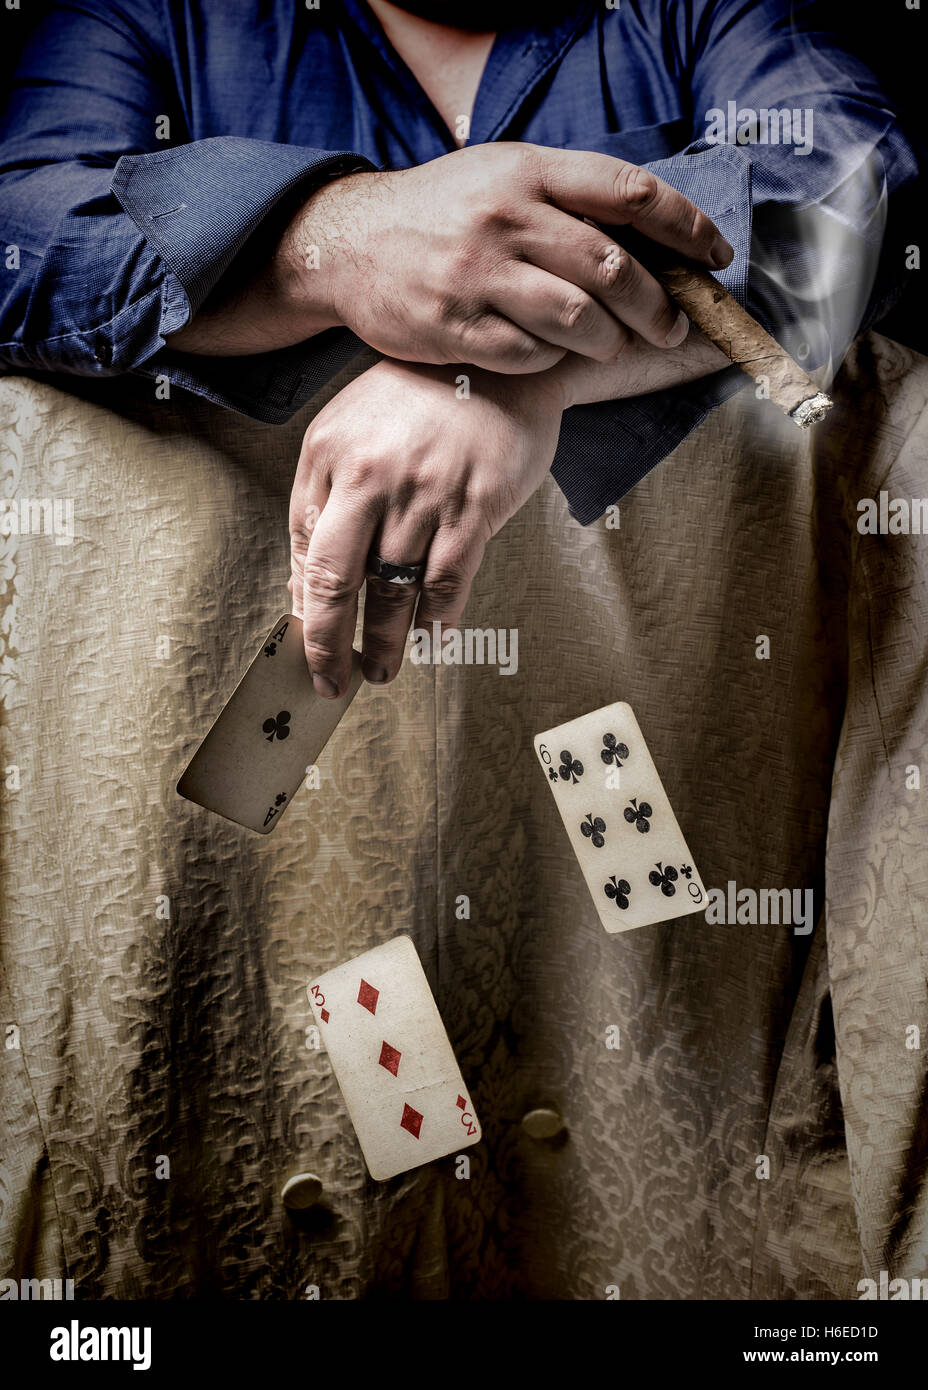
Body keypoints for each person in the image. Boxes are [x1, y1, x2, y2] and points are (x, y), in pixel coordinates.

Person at [0, 0, 916, 698]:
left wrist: (502, 374)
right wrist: (330, 245)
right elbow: (17, 228)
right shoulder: (156, 13)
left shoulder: (697, 10)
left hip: (658, 697)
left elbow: (861, 175)